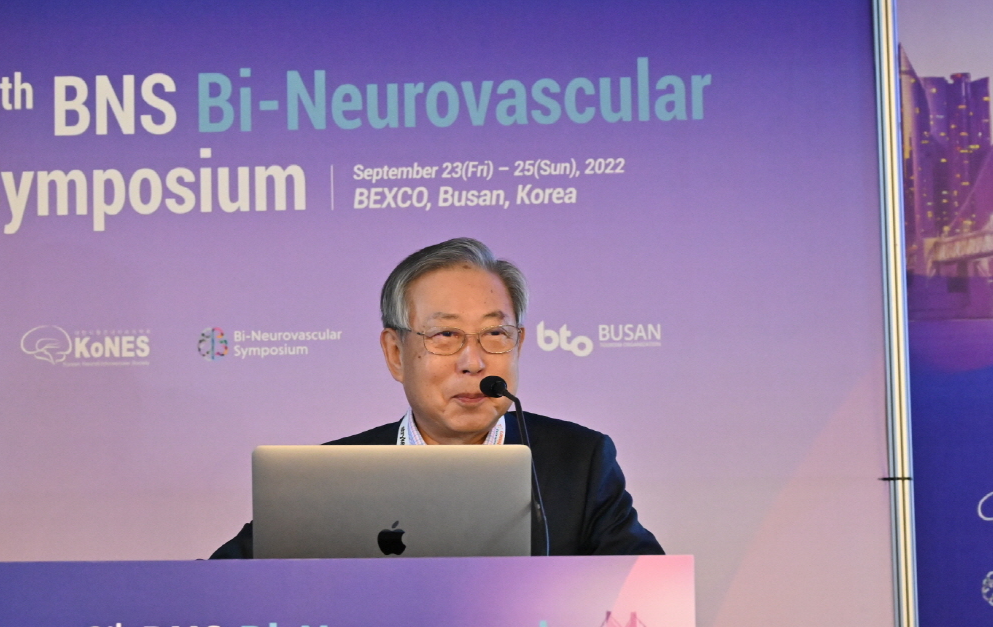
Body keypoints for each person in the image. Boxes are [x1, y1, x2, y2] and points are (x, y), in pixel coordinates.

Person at [210, 238, 663, 557]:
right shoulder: (329, 480)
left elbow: (646, 596)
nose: (473, 361)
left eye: (495, 334)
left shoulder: (579, 462)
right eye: (445, 335)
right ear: (395, 353)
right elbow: (209, 592)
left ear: (518, 344)